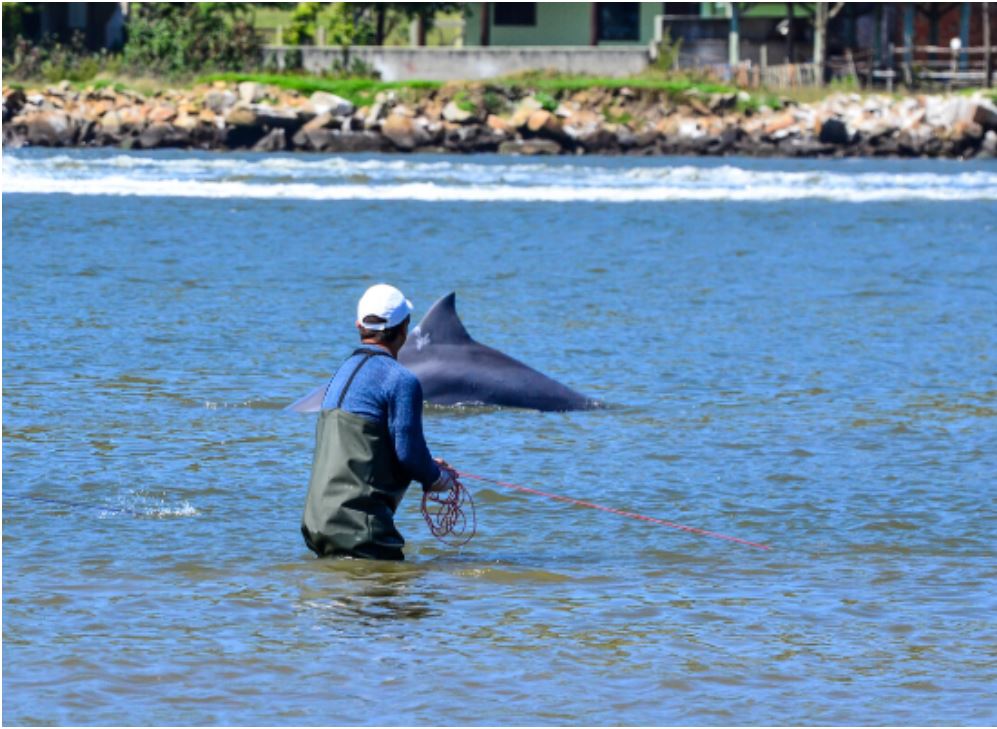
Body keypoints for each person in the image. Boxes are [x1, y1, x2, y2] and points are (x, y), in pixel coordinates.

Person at [301, 283, 458, 560]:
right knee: (411, 602)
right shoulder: (401, 380)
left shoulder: (341, 373)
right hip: (361, 531)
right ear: (404, 329)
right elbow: (409, 455)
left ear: (358, 325)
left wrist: (428, 466)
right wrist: (437, 478)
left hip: (317, 525)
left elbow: (371, 448)